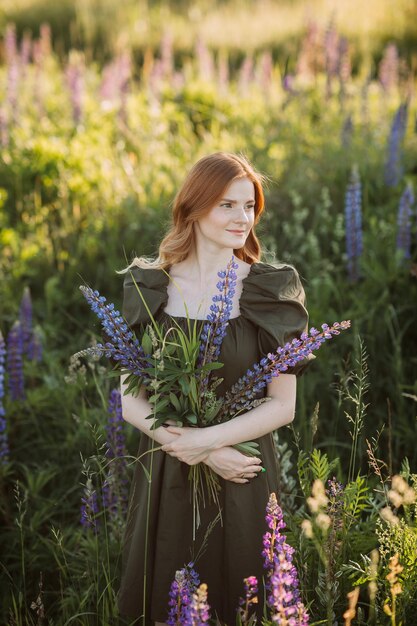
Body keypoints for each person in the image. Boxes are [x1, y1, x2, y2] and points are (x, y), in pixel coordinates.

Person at [117, 152, 313, 625]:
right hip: (169, 475)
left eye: (249, 206)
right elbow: (127, 399)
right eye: (227, 205)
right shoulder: (151, 285)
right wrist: (204, 453)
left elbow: (283, 406)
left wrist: (208, 442)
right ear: (194, 207)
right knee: (165, 599)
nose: (242, 218)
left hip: (243, 473)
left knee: (243, 601)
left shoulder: (272, 290)